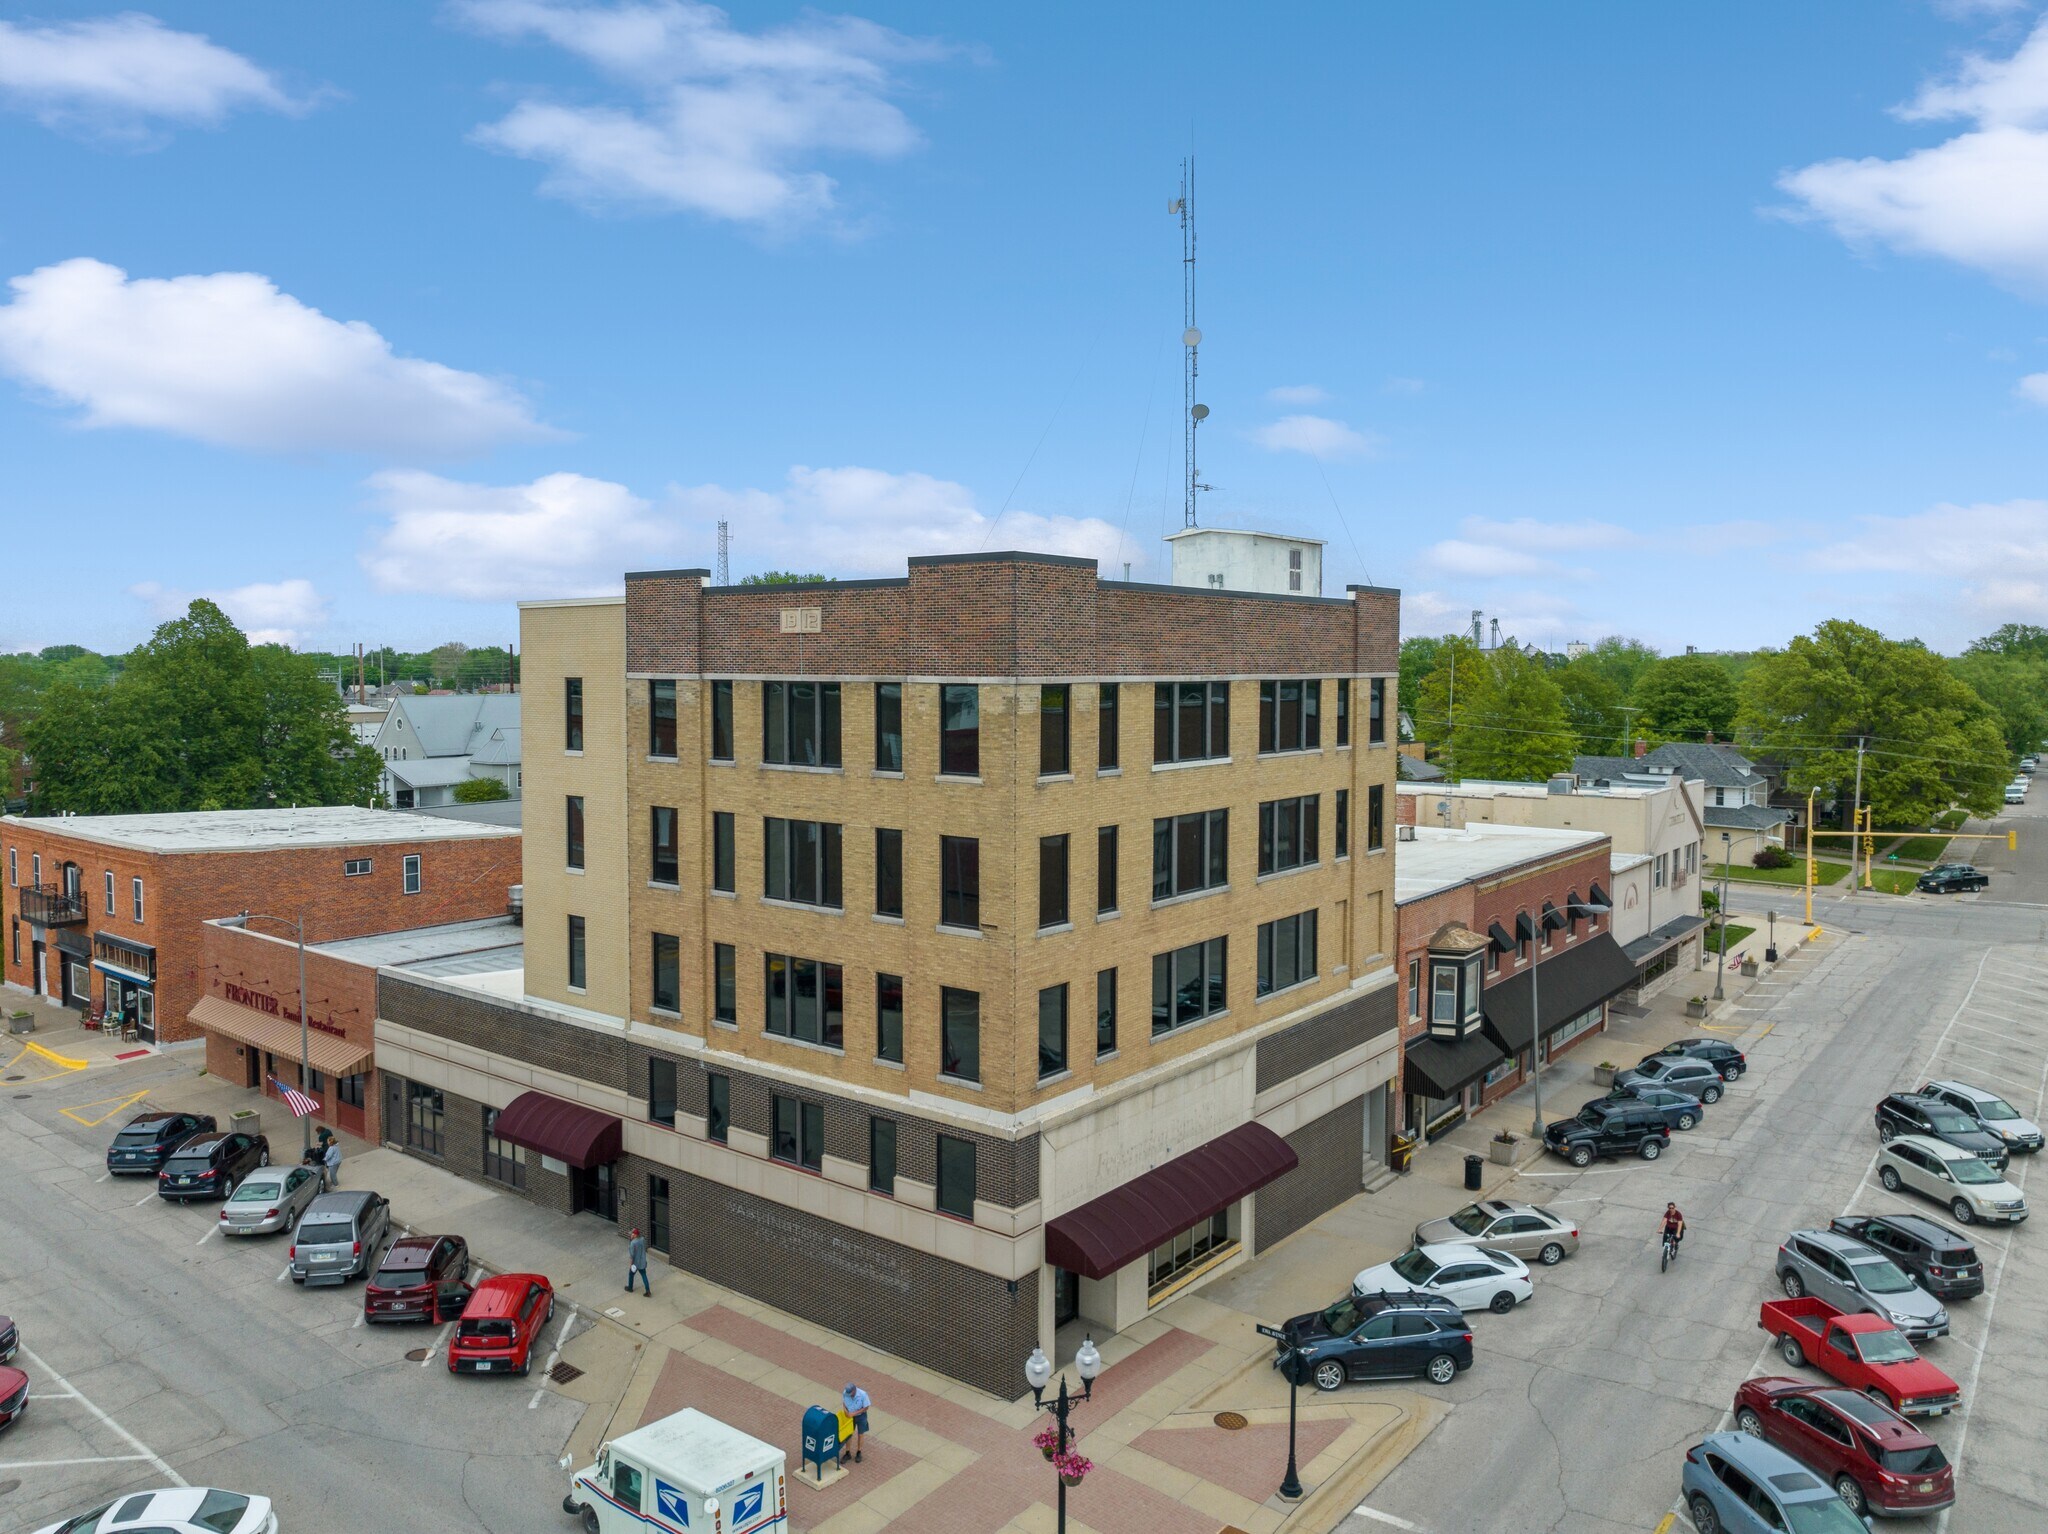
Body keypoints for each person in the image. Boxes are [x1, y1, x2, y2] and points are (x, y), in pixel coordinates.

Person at [841, 1382, 871, 1464]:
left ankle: (859, 1452)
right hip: (850, 1416)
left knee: (860, 1434)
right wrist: (845, 1411)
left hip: (861, 1416)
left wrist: (853, 1414)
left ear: (854, 1390)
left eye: (850, 1393)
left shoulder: (863, 1394)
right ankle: (847, 1453)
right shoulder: (845, 1393)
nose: (849, 1395)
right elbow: (844, 1402)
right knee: (849, 1433)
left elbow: (866, 1407)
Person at [626, 1227, 650, 1295]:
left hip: (635, 1263)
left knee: (631, 1274)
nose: (631, 1235)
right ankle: (648, 1291)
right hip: (642, 1262)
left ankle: (630, 1288)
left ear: (635, 1235)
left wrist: (630, 1265)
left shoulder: (633, 1243)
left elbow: (632, 1255)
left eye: (632, 1234)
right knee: (644, 1275)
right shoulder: (642, 1239)